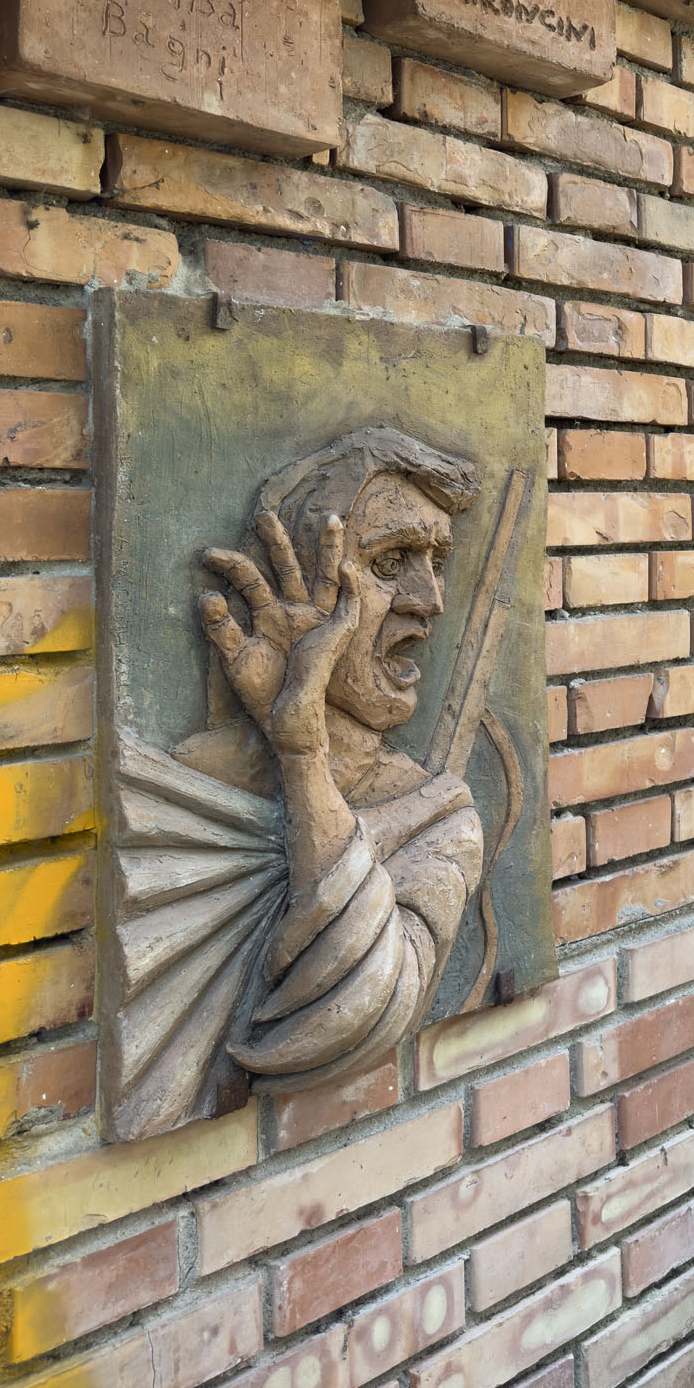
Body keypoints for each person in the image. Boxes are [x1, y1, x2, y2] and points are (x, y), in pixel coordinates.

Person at [109, 429, 487, 1137]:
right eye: (392, 561)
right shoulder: (164, 794)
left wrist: (302, 748)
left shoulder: (440, 820)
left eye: (438, 562)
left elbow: (360, 1008)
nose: (430, 599)